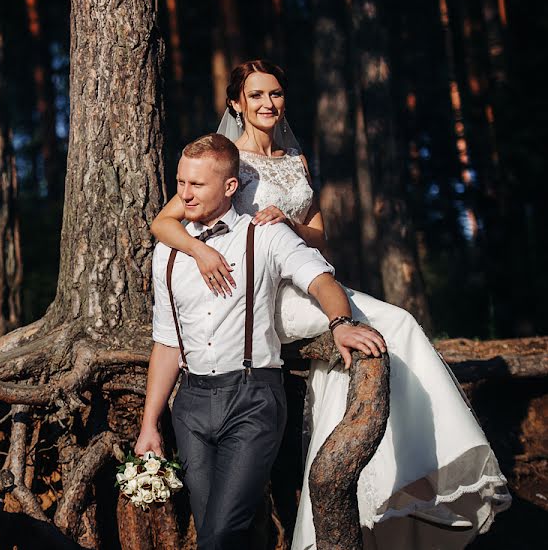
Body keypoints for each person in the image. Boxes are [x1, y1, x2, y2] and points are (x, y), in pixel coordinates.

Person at [150, 59, 510, 549]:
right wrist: (203, 250)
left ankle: (415, 466)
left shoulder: (294, 157)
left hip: (297, 268)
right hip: (258, 292)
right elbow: (164, 223)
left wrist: (288, 226)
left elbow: (319, 235)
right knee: (395, 321)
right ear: (235, 104)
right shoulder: (222, 160)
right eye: (255, 96)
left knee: (395, 326)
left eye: (275, 94)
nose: (268, 104)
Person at [134, 133, 387, 549]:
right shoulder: (170, 252)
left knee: (220, 534)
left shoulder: (264, 234)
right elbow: (166, 344)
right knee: (218, 529)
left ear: (230, 187)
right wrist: (150, 424)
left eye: (196, 185)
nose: (184, 194)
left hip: (252, 400)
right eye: (180, 183)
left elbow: (321, 280)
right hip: (191, 407)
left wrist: (340, 322)